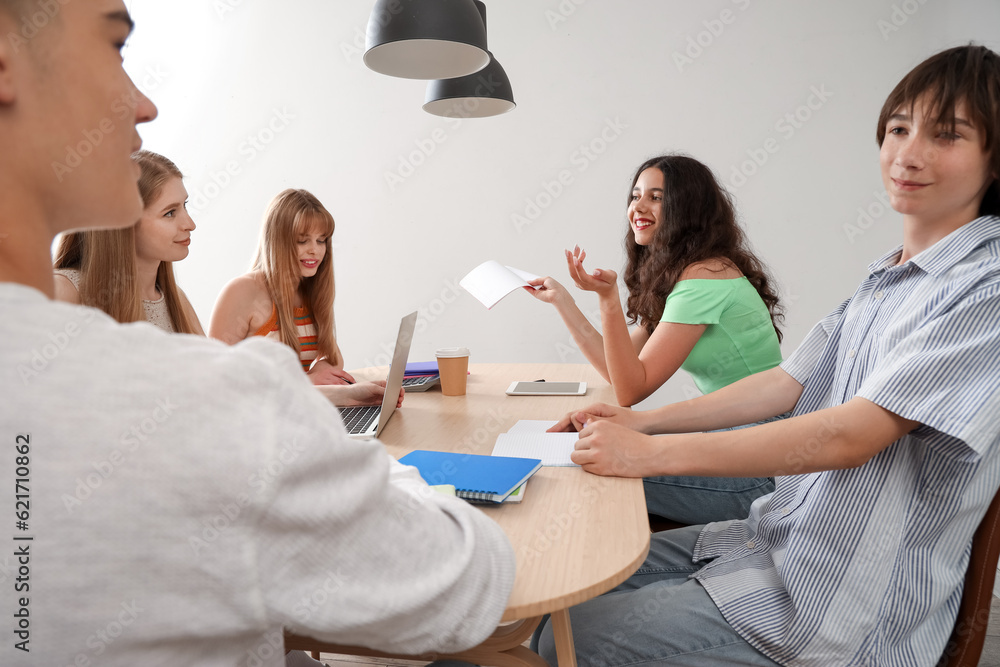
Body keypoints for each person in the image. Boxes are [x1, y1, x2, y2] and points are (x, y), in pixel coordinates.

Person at [0, 3, 515, 667]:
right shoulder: (212, 401)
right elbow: (469, 583)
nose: (146, 105)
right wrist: (369, 470)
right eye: (116, 47)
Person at [534, 44, 1000, 666]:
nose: (908, 154)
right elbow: (785, 383)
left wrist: (648, 448)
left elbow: (850, 435)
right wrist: (638, 422)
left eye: (947, 135)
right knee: (558, 596)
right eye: (897, 128)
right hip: (774, 535)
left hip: (836, 607)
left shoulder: (985, 288)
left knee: (570, 637)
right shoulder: (886, 277)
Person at [527, 154, 785, 523]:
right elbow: (617, 371)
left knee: (580, 467)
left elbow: (631, 389)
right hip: (732, 441)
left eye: (656, 197)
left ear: (687, 208)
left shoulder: (704, 278)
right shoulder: (684, 275)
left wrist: (608, 300)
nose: (638, 207)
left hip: (757, 467)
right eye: (635, 196)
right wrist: (563, 302)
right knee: (585, 458)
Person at [210, 188, 355, 387]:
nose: (315, 250)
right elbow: (217, 377)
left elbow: (333, 356)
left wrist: (320, 368)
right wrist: (306, 381)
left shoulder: (309, 291)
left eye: (321, 240)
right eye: (302, 241)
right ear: (277, 242)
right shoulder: (242, 290)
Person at [52, 150, 204, 333]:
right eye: (169, 213)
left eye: (184, 206)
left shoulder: (179, 303)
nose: (190, 224)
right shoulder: (64, 292)